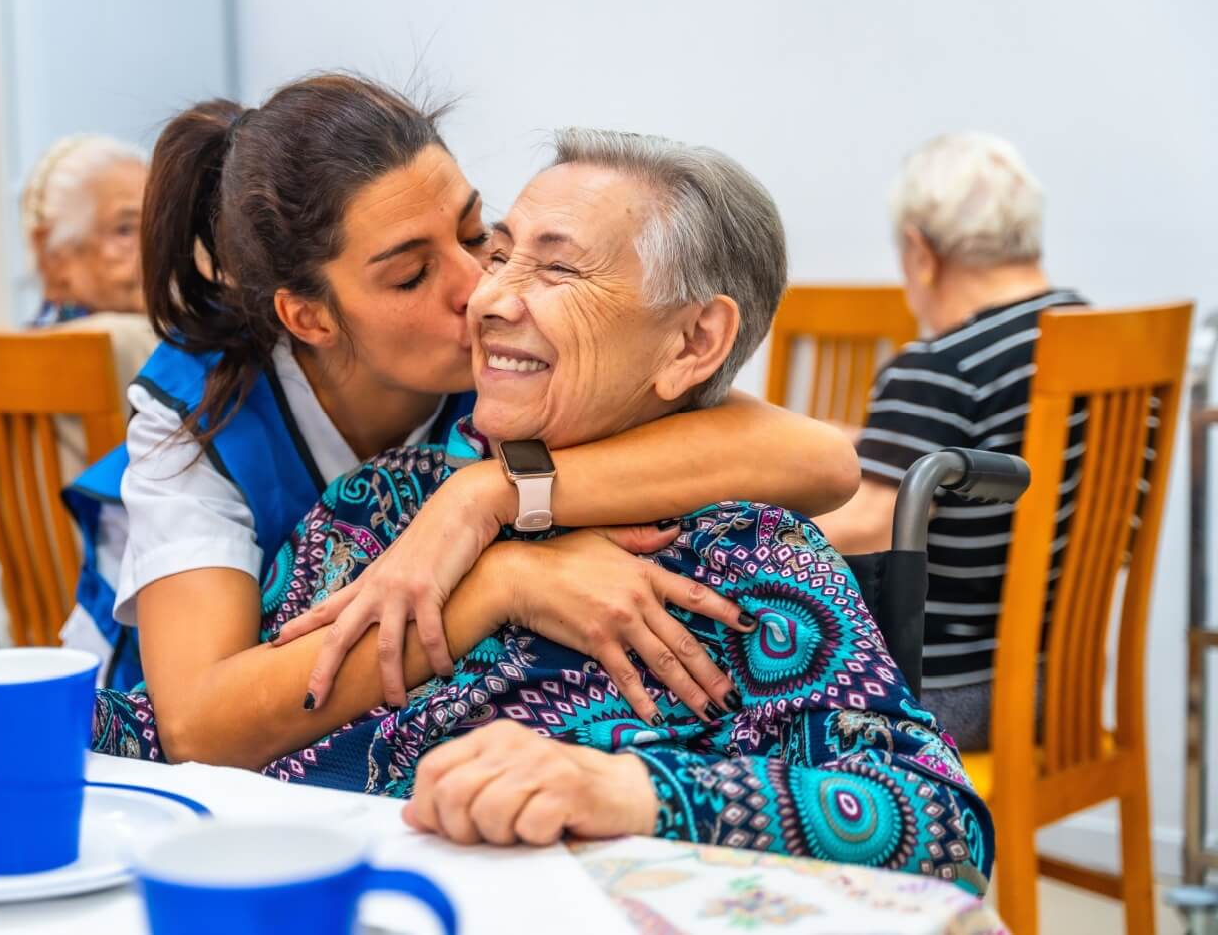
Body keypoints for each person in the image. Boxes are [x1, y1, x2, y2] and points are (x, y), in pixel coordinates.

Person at [95, 129, 991, 894]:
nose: (485, 297)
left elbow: (943, 825)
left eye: (554, 266)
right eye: (504, 253)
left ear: (692, 343)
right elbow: (182, 730)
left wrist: (627, 791)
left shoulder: (748, 560)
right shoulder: (386, 507)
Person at [62, 74, 861, 696]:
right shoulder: (199, 415)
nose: (481, 286)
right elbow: (200, 719)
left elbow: (819, 461)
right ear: (309, 318)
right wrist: (503, 581)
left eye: (479, 233)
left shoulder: (509, 370)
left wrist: (490, 496)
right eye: (412, 275)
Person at [814, 132, 1087, 750]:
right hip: (1051, 681)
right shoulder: (1086, 336)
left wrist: (730, 522)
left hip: (942, 692)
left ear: (920, 250)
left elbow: (871, 525)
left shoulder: (944, 366)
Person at [18, 135, 158, 479]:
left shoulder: (12, 352)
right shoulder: (123, 341)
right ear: (53, 252)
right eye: (124, 229)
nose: (154, 249)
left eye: (157, 226)